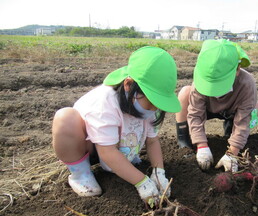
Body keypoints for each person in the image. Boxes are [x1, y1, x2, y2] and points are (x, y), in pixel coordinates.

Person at [52, 46, 181, 207]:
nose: (153, 109)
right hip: (90, 147)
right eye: (150, 103)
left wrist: (159, 172)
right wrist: (141, 182)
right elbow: (107, 151)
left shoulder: (151, 107)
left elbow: (152, 141)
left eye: (158, 104)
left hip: (120, 146)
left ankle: (126, 161)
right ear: (128, 85)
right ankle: (80, 174)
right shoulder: (105, 102)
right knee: (65, 117)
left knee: (126, 161)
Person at [175, 39, 258, 171]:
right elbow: (195, 114)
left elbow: (244, 120)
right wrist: (201, 145)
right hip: (207, 109)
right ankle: (184, 141)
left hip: (232, 112)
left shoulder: (247, 83)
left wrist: (233, 153)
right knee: (184, 93)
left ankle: (230, 135)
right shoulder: (200, 80)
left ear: (237, 69)